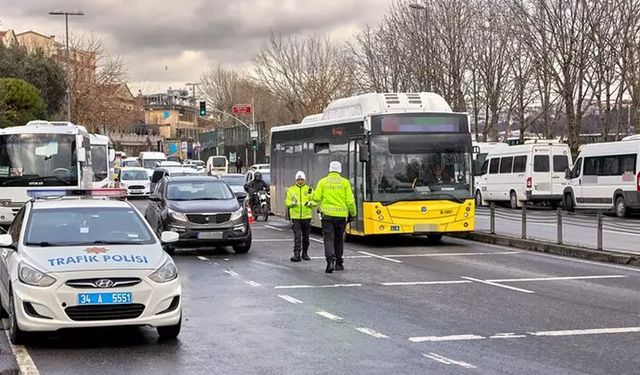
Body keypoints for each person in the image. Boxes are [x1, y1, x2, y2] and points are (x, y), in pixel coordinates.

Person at [313, 161, 356, 273]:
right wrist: (353, 213)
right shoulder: (345, 183)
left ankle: (330, 261)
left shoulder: (322, 182)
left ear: (330, 169)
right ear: (340, 170)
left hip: (327, 216)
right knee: (338, 240)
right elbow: (350, 201)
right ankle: (339, 263)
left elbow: (316, 198)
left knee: (328, 239)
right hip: (341, 216)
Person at [285, 171, 315, 262]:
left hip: (307, 216)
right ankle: (297, 254)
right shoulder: (291, 189)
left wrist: (310, 203)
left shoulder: (309, 189)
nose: (300, 181)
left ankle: (305, 253)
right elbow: (287, 202)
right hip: (295, 217)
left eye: (301, 179)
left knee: (306, 236)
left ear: (304, 180)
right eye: (298, 179)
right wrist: (292, 204)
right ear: (296, 180)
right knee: (297, 236)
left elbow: (315, 201)